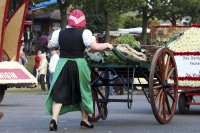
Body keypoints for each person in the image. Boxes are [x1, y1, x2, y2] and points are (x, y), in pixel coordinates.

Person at [46, 9, 113, 131]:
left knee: (59, 92)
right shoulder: (85, 33)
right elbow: (95, 47)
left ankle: (54, 119)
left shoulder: (59, 32)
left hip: (63, 63)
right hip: (79, 64)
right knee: (84, 91)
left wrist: (55, 42)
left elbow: (50, 45)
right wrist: (107, 45)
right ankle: (84, 120)